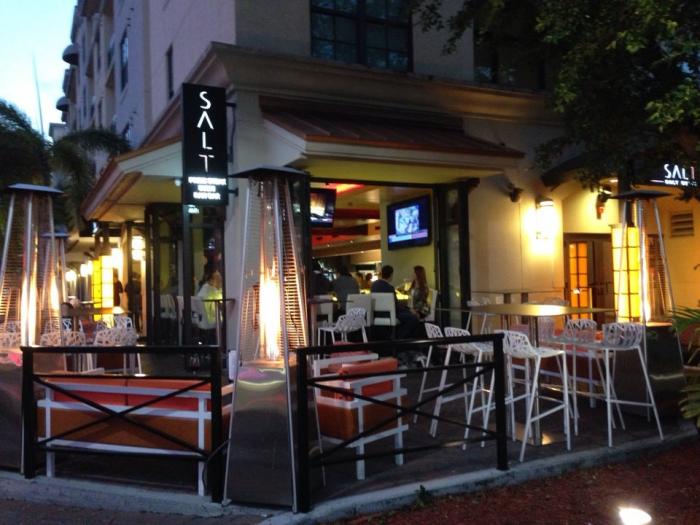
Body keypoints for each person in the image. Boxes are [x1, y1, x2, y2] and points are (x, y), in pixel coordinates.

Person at [371, 265, 420, 339]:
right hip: (389, 314)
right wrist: (409, 310)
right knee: (413, 318)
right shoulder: (389, 287)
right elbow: (396, 306)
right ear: (391, 275)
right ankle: (399, 338)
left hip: (377, 314)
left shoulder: (374, 285)